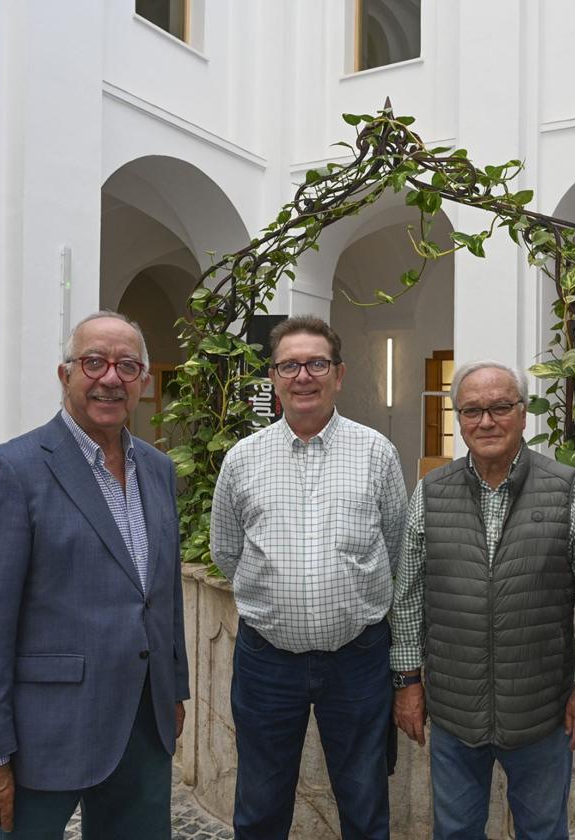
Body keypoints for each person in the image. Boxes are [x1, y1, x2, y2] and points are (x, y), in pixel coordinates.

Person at [0, 311, 189, 839]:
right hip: (43, 734)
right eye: (94, 362)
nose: (111, 378)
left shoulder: (158, 469)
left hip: (142, 728)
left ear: (145, 383)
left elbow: (161, 592)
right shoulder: (12, 471)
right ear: (66, 376)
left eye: (127, 366)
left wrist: (173, 690)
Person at [390, 360, 575, 840]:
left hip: (541, 711)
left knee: (542, 831)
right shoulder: (430, 492)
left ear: (523, 412)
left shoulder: (568, 489)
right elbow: (407, 595)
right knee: (454, 831)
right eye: (472, 410)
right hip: (454, 711)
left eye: (499, 407)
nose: (486, 421)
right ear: (458, 417)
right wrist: (407, 681)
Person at [210, 315, 407, 840]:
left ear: (338, 374)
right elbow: (227, 551)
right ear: (273, 377)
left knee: (365, 803)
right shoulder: (242, 459)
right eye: (289, 365)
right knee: (259, 805)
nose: (303, 376)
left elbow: (396, 547)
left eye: (316, 363)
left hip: (358, 661)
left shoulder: (376, 453)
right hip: (266, 663)